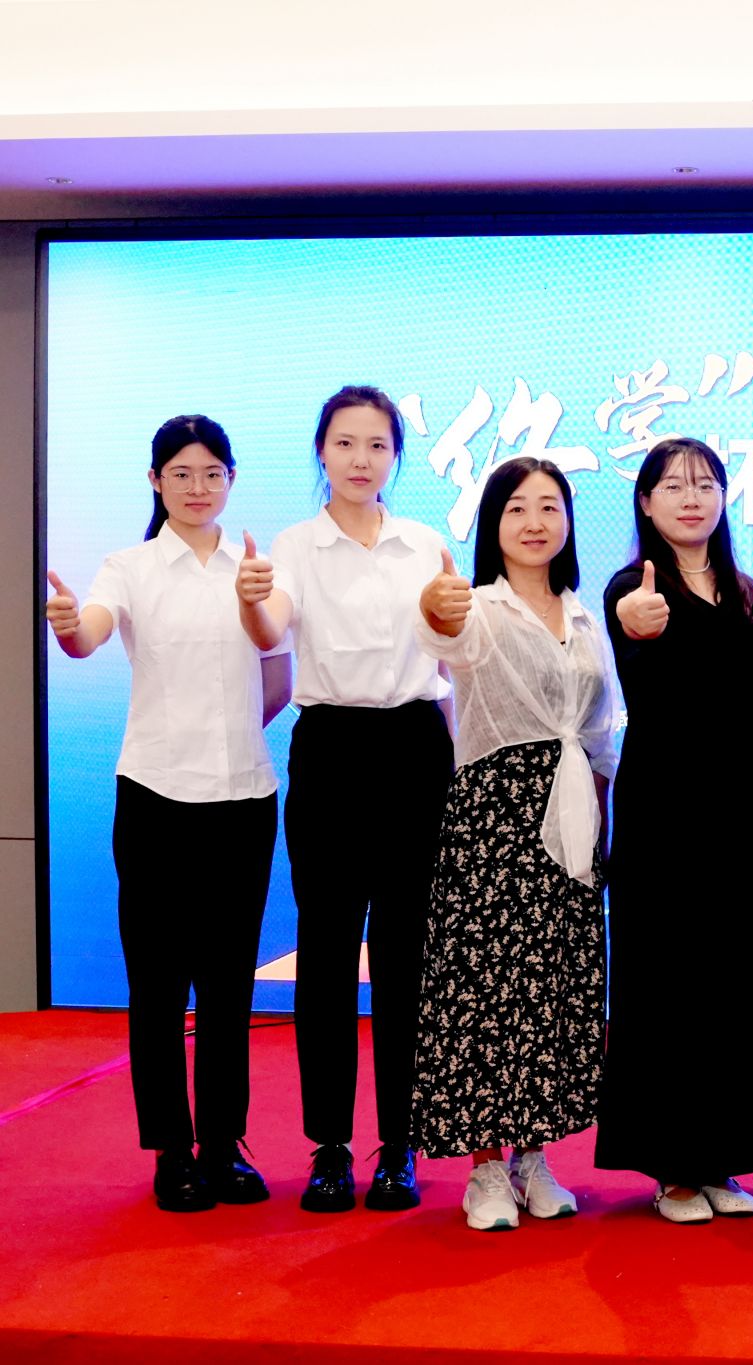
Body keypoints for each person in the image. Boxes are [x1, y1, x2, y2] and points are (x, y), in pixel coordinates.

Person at [45, 414, 290, 1211]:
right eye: (181, 473)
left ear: (231, 479)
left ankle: (222, 1145)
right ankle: (172, 1151)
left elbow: (279, 676)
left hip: (243, 797)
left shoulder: (255, 569)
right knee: (157, 984)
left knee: (228, 986)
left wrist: (227, 732)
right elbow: (89, 633)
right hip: (154, 797)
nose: (197, 487)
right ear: (155, 480)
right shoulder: (130, 567)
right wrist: (68, 627)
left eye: (212, 472)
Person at [237, 385, 454, 1214]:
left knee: (406, 957)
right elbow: (272, 631)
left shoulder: (423, 542)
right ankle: (329, 1145)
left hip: (415, 749)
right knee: (327, 955)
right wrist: (253, 600)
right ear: (321, 452)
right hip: (329, 748)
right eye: (345, 443)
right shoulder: (294, 546)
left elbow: (450, 655)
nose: (362, 459)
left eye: (377, 445)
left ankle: (399, 1145)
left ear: (395, 455)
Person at [409, 457, 619, 1230]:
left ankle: (533, 1156)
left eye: (549, 506)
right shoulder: (479, 605)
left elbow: (599, 733)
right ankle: (485, 1168)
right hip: (493, 815)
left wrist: (601, 817)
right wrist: (435, 606)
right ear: (493, 523)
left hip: (574, 817)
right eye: (517, 507)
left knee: (551, 991)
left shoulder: (586, 617)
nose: (535, 521)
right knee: (485, 989)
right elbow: (445, 637)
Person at [593, 437, 753, 1224]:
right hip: (666, 814)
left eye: (705, 483)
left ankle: (720, 1156)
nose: (691, 496)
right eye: (673, 485)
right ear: (646, 502)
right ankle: (673, 1166)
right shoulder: (631, 586)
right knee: (666, 981)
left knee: (736, 981)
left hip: (744, 814)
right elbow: (631, 629)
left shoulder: (749, 593)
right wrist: (634, 620)